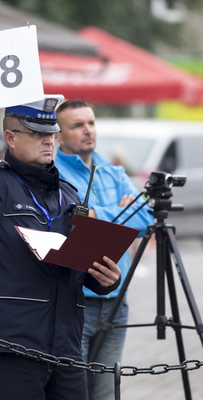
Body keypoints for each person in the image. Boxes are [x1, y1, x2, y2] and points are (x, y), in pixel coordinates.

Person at [0, 62, 122, 400]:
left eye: (52, 133)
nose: (49, 141)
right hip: (15, 345)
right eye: (38, 134)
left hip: (68, 346)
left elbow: (77, 264)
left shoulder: (68, 192)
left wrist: (104, 279)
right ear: (10, 138)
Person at [55, 99, 154, 400]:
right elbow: (77, 223)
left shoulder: (113, 172)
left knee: (108, 393)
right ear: (58, 135)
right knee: (74, 392)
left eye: (91, 123)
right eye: (77, 125)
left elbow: (147, 219)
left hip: (116, 301)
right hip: (76, 302)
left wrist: (100, 213)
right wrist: (120, 211)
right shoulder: (54, 173)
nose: (88, 130)